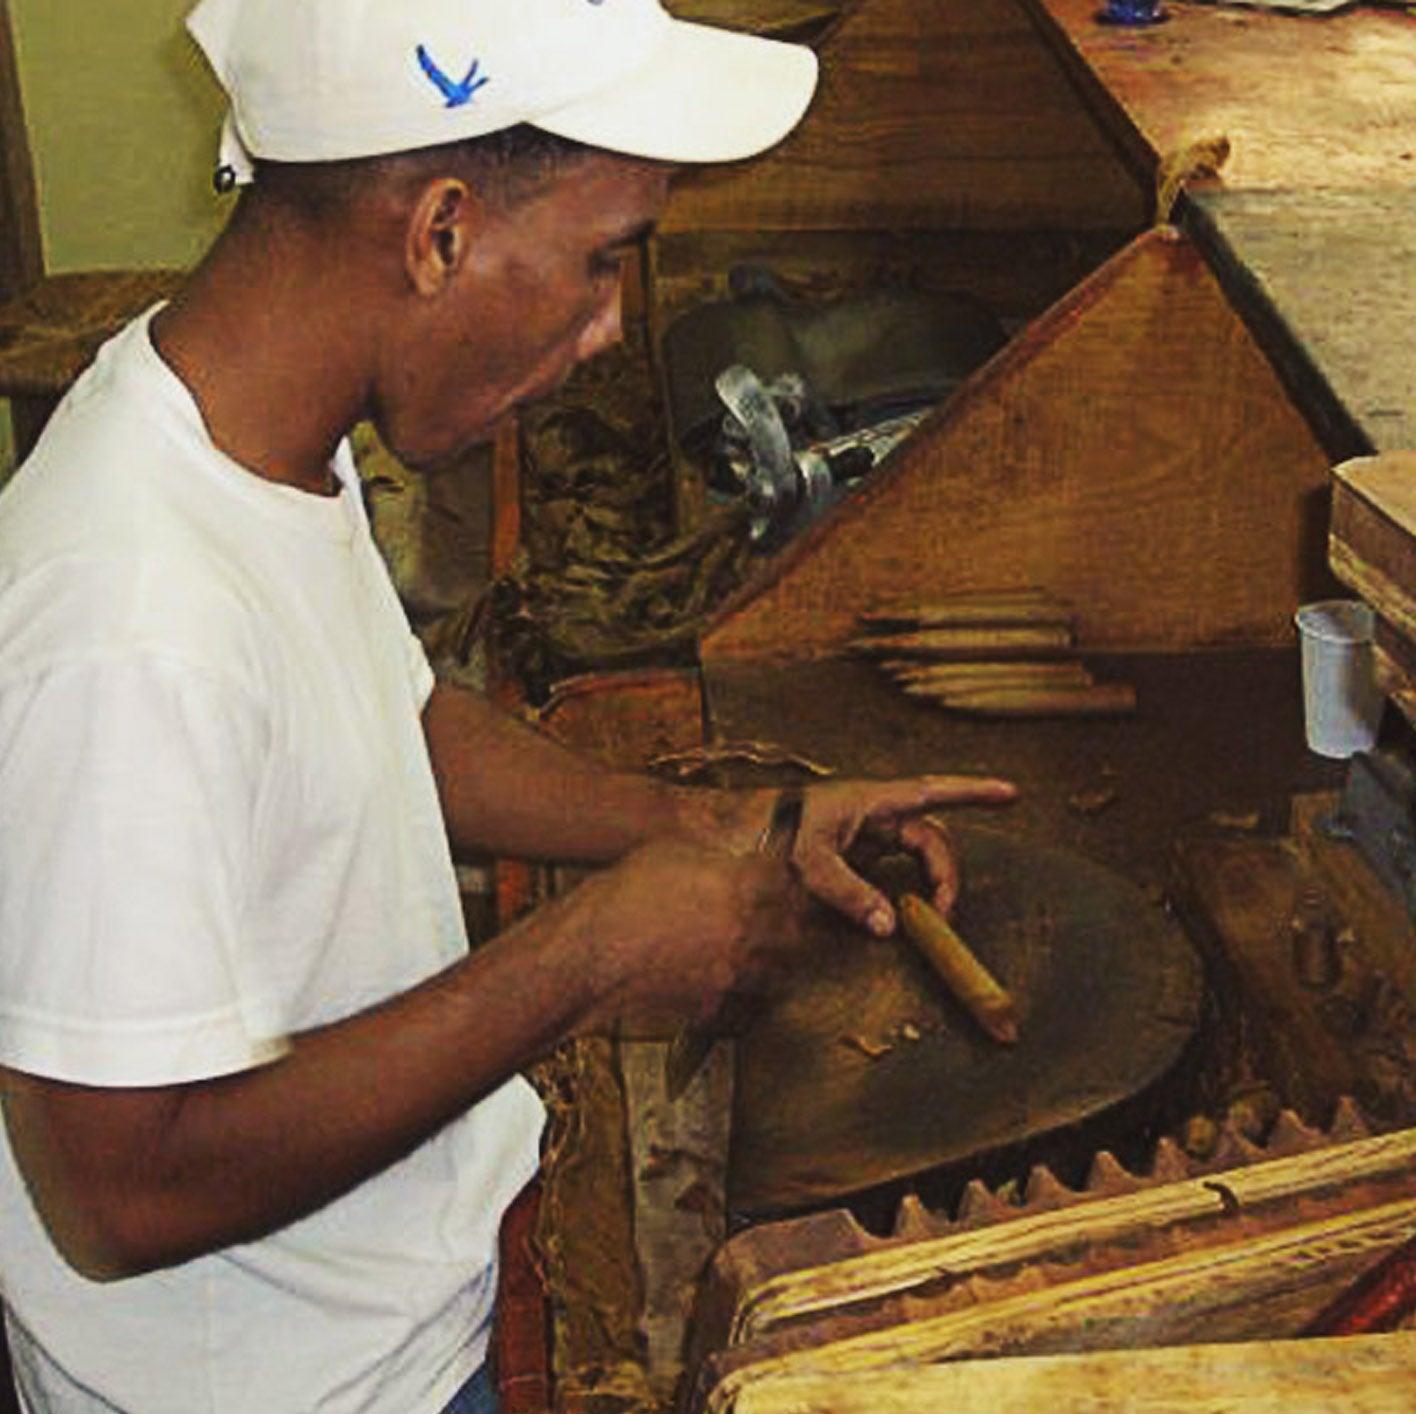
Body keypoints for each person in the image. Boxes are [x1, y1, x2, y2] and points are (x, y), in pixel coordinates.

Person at [0, 1, 1015, 1409]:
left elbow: (388, 722)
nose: (610, 331)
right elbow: (118, 1187)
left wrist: (726, 822)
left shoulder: (262, 437)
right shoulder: (125, 620)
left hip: (406, 1301)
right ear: (440, 233)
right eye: (603, 263)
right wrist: (583, 958)